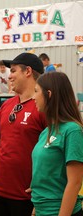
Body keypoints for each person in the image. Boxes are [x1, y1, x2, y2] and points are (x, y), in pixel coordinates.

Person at [0, 53, 47, 216]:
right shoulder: (7, 105)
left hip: (25, 197)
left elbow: (53, 154)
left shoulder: (44, 108)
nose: (9, 76)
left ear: (27, 71)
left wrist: (42, 191)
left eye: (13, 71)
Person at [31, 72, 83, 216]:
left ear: (49, 94)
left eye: (36, 91)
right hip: (41, 210)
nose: (33, 97)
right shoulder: (45, 132)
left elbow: (75, 183)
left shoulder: (72, 131)